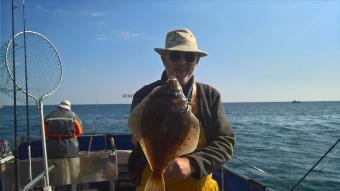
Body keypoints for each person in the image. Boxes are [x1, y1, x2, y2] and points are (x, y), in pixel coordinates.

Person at [128, 28, 235, 190]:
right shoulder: (144, 95)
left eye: (190, 56)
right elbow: (140, 136)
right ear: (164, 59)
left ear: (197, 60)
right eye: (175, 55)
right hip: (152, 182)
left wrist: (193, 163)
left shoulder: (210, 96)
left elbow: (225, 142)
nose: (182, 61)